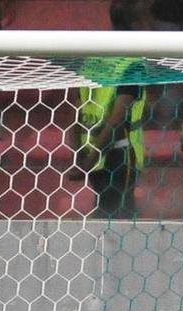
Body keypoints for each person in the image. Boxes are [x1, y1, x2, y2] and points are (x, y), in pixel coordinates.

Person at [65, 0, 150, 218]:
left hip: (91, 147)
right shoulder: (132, 64)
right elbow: (117, 118)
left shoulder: (94, 59)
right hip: (118, 153)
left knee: (105, 209)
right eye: (146, 19)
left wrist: (79, 156)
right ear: (136, 24)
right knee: (121, 218)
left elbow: (75, 108)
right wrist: (91, 158)